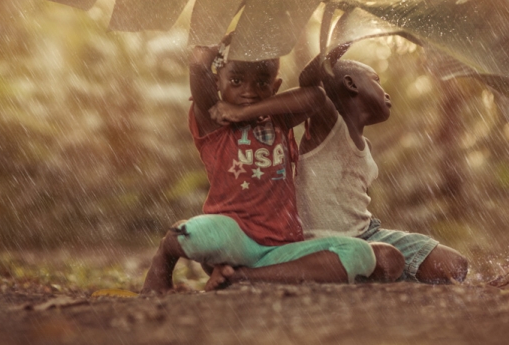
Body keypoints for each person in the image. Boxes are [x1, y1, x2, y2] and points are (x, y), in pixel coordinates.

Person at [141, 34, 394, 294]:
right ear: (218, 82)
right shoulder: (214, 120)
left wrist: (244, 112)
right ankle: (162, 262)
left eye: (261, 82)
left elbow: (316, 96)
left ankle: (242, 277)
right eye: (237, 81)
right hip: (233, 236)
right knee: (190, 235)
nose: (249, 91)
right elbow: (198, 67)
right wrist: (221, 40)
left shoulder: (279, 120)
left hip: (282, 248)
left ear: (275, 87)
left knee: (358, 253)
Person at [295, 49, 469, 284]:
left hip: (367, 235)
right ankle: (367, 271)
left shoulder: (364, 145)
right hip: (325, 243)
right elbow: (309, 81)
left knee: (455, 266)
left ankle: (373, 272)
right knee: (387, 259)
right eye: (376, 81)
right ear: (351, 84)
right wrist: (344, 40)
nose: (386, 93)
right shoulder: (327, 124)